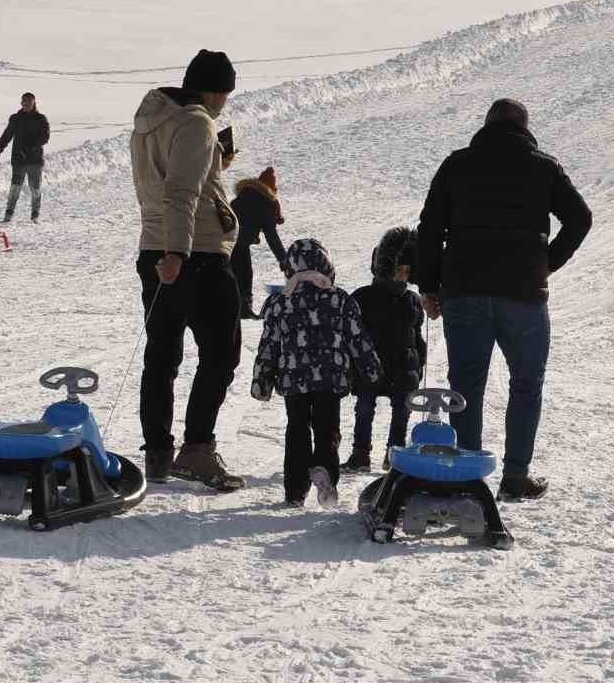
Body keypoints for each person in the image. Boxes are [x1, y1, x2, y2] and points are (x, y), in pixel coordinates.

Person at [413, 98, 593, 501]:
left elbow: (429, 228)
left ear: (486, 125)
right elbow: (581, 217)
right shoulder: (544, 167)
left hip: (464, 293)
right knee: (527, 384)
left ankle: (467, 478)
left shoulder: (456, 164)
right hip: (525, 296)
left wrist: (428, 286)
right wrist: (546, 264)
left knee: (467, 387)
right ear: (525, 128)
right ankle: (515, 477)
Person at [131, 49, 245, 490]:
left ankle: (157, 452)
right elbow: (180, 192)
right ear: (216, 90)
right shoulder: (197, 121)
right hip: (194, 253)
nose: (223, 106)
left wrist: (217, 163)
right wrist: (178, 253)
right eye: (225, 95)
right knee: (221, 351)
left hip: (153, 248)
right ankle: (196, 449)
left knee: (162, 353)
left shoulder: (150, 121)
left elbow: (167, 183)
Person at [251, 238, 383, 508]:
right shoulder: (340, 299)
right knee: (327, 429)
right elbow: (358, 339)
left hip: (293, 380)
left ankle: (294, 492)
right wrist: (371, 370)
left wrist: (262, 380)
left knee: (297, 430)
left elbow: (269, 345)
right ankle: (324, 469)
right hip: (330, 379)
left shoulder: (280, 302)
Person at [347, 227, 426, 472]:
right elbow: (352, 336)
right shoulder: (362, 297)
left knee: (401, 413)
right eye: (396, 271)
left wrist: (419, 362)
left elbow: (417, 335)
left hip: (403, 367)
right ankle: (360, 454)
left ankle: (394, 454)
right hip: (370, 367)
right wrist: (352, 366)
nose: (400, 277)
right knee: (363, 409)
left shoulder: (412, 300)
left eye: (405, 273)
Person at [230, 166, 288, 320]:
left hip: (224, 240)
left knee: (234, 273)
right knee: (245, 273)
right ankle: (243, 309)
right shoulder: (266, 203)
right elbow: (271, 236)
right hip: (238, 242)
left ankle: (234, 307)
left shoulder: (241, 197)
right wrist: (284, 260)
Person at [0, 92, 50, 223]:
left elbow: (45, 137)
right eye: (24, 101)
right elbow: (7, 136)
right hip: (19, 159)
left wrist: (31, 145)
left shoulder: (41, 119)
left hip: (35, 160)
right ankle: (9, 212)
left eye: (29, 101)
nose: (26, 104)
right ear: (21, 103)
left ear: (34, 103)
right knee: (15, 187)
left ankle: (35, 213)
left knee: (35, 187)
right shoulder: (15, 118)